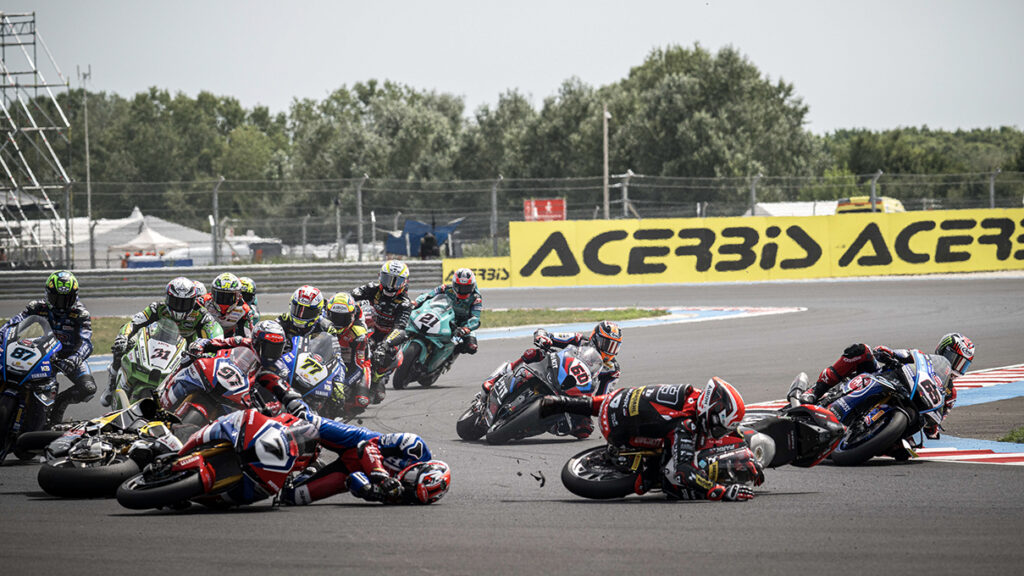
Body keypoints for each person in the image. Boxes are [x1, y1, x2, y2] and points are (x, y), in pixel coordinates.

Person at [539, 378, 761, 502]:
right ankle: (638, 467)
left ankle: (558, 403)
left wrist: (737, 436)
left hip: (613, 400)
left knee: (634, 408)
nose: (719, 432)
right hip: (617, 433)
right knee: (667, 477)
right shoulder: (686, 425)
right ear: (709, 411)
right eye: (720, 427)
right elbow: (684, 472)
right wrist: (720, 491)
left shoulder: (693, 393)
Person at [798, 333, 975, 438]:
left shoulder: (950, 394)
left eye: (962, 364)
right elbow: (902, 354)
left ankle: (872, 437)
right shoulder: (924, 359)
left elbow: (937, 421)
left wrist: (933, 427)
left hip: (908, 410)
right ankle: (816, 391)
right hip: (888, 380)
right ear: (943, 351)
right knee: (861, 351)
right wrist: (888, 352)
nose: (956, 366)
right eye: (954, 359)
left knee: (903, 452)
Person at [102, 277, 224, 407]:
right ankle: (111, 385)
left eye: (185, 303)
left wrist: (209, 353)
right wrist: (123, 337)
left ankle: (189, 406)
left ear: (193, 301)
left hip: (187, 351)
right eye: (175, 301)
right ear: (167, 298)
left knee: (203, 376)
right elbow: (134, 323)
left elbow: (215, 338)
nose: (179, 307)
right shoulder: (157, 308)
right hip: (157, 341)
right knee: (122, 347)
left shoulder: (202, 316)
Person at [278, 421, 450, 506]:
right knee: (302, 421)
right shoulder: (414, 446)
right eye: (413, 481)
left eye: (412, 492)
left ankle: (312, 470)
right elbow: (367, 446)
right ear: (420, 467)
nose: (407, 486)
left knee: (292, 498)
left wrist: (367, 490)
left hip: (347, 470)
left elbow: (354, 482)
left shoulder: (405, 495)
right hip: (354, 440)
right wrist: (381, 476)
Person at [1, 271, 96, 425]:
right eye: (56, 298)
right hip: (42, 352)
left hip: (69, 356)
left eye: (67, 299)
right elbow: (13, 323)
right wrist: (1, 335)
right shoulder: (36, 306)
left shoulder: (80, 313)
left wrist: (75, 358)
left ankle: (57, 408)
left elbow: (86, 342)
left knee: (88, 388)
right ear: (47, 294)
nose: (61, 304)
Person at [169, 320, 309, 418]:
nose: (272, 353)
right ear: (256, 342)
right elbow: (216, 343)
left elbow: (278, 400)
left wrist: (268, 407)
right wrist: (200, 346)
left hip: (242, 405)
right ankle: (164, 396)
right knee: (188, 361)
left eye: (277, 349)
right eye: (269, 347)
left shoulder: (280, 370)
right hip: (222, 381)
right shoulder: (242, 342)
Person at [351, 260, 413, 403]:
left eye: (396, 281)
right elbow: (350, 297)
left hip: (388, 335)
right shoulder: (371, 288)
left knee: (387, 354)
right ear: (380, 276)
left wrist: (385, 345)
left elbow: (399, 329)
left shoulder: (404, 303)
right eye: (387, 279)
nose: (390, 285)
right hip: (368, 327)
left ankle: (376, 380)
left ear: (404, 282)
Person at [412, 267, 483, 362]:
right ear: (454, 284)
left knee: (472, 347)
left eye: (467, 288)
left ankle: (447, 360)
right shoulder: (445, 288)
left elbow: (475, 318)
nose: (462, 290)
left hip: (462, 324)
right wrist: (416, 302)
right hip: (444, 316)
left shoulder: (476, 298)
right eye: (459, 287)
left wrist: (466, 328)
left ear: (473, 286)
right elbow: (428, 295)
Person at [324, 292, 373, 414]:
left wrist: (344, 383)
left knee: (361, 401)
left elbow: (358, 366)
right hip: (329, 355)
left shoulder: (358, 333)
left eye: (343, 318)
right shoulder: (321, 322)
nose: (339, 322)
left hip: (354, 358)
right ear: (328, 314)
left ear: (351, 316)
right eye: (335, 317)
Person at [201, 272, 257, 338]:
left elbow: (248, 336)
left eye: (229, 297)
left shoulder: (244, 310)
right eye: (220, 296)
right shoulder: (203, 301)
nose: (224, 300)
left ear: (238, 296)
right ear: (213, 294)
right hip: (204, 338)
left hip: (229, 339)